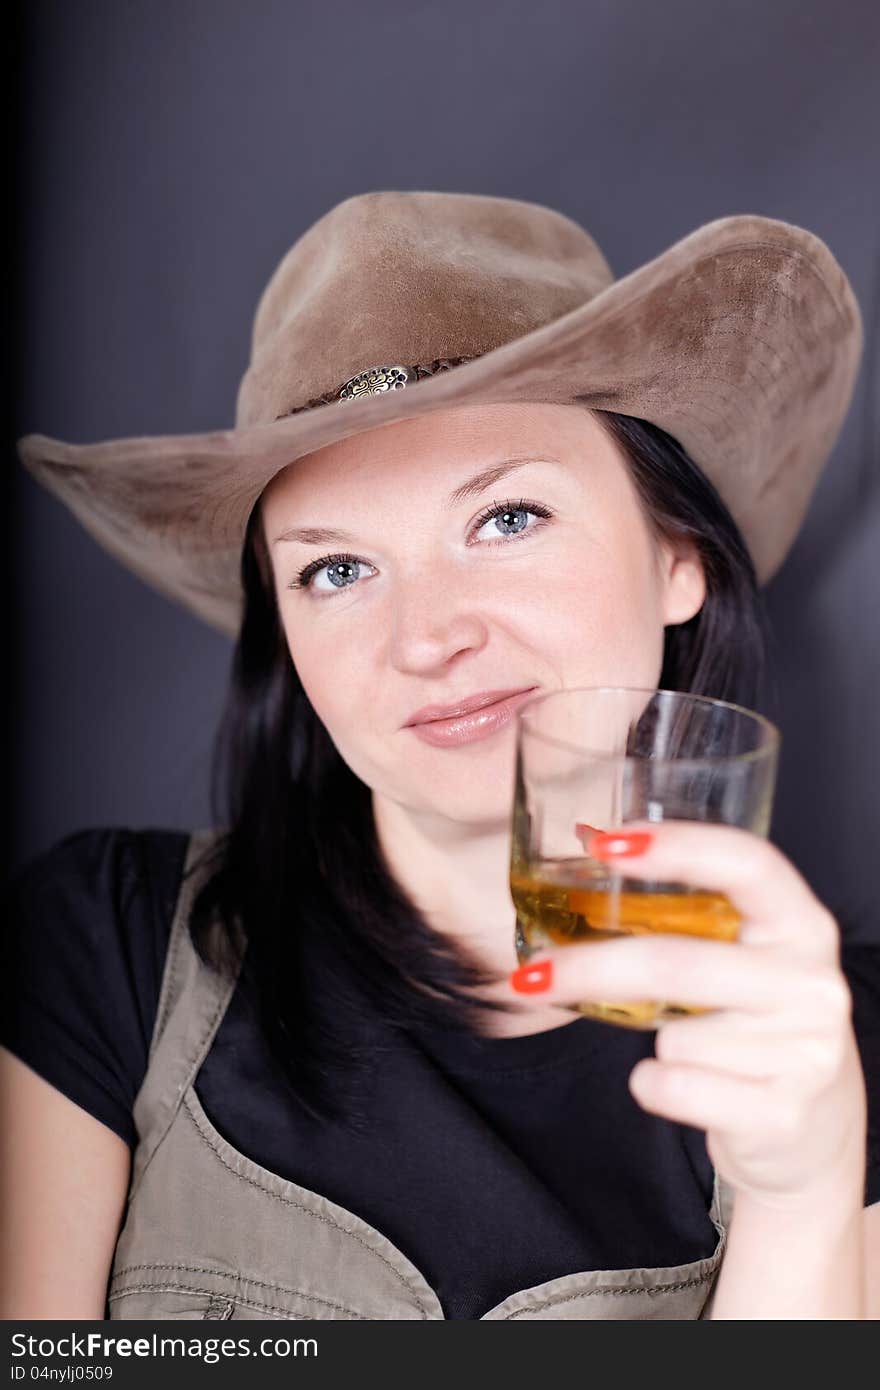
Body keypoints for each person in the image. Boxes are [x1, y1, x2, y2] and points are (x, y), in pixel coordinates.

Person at [2, 192, 878, 1321]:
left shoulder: (838, 1043)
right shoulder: (103, 946)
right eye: (335, 570)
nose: (426, 638)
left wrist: (801, 1200)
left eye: (507, 518)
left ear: (677, 559)